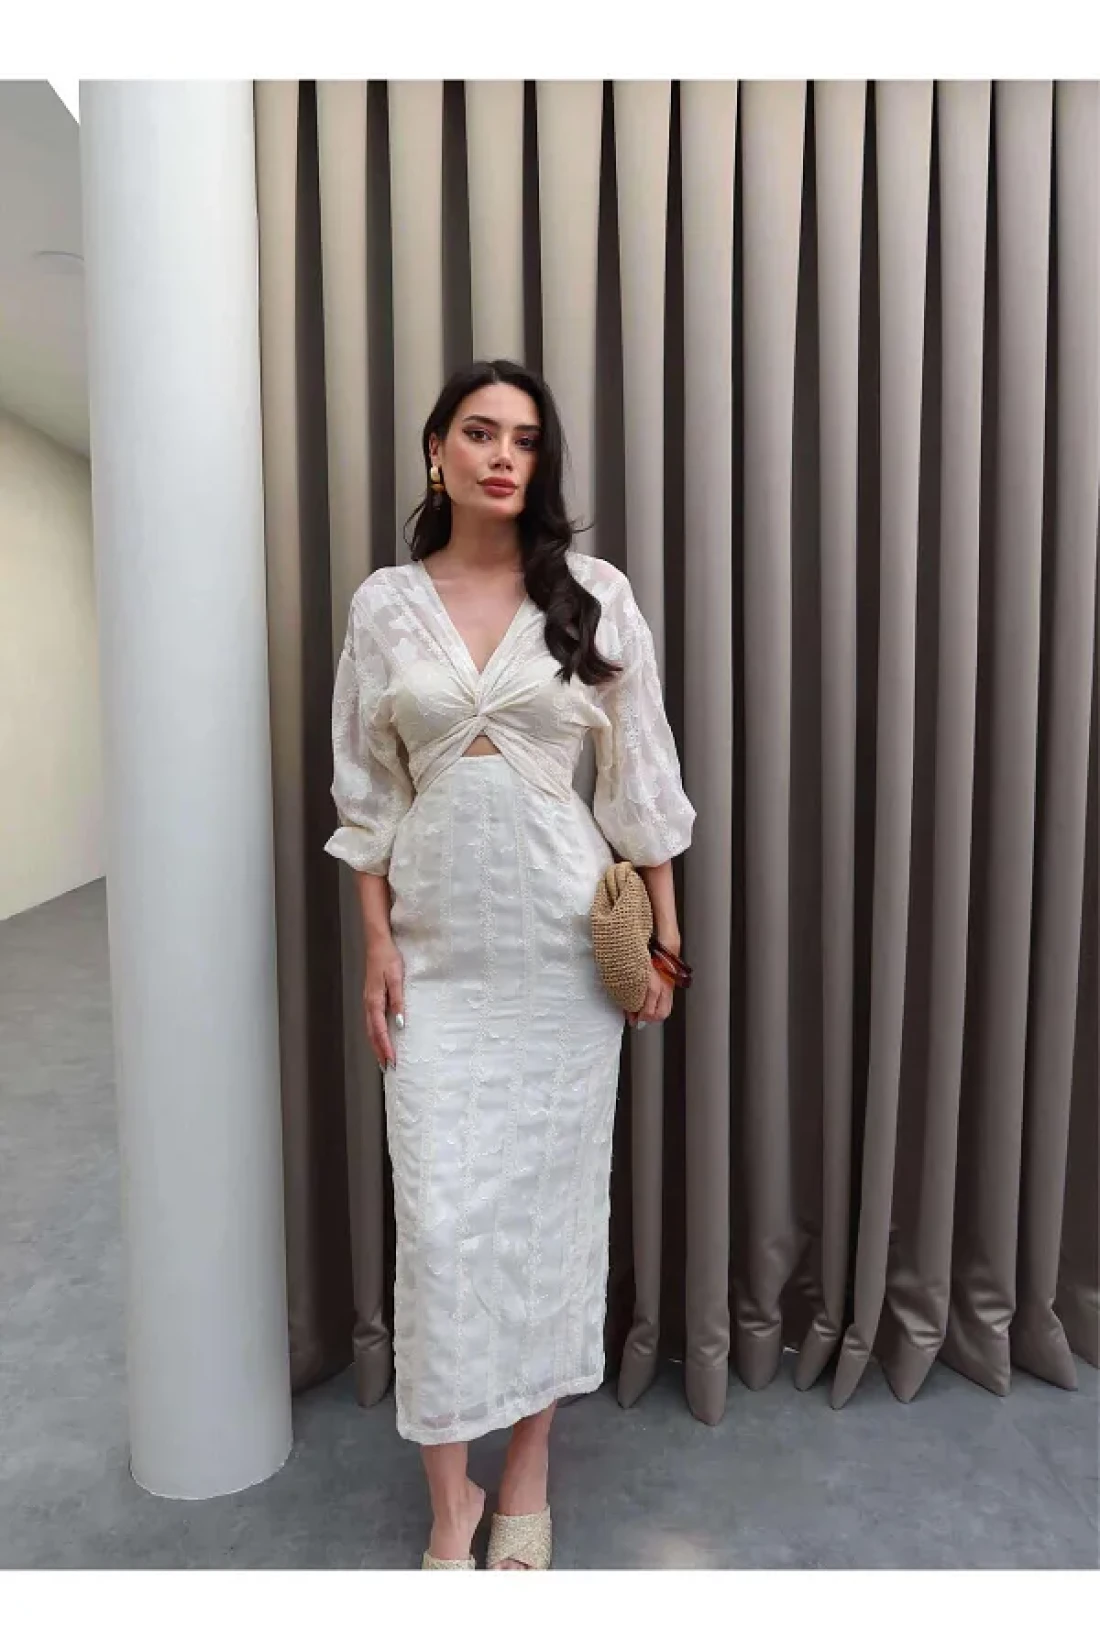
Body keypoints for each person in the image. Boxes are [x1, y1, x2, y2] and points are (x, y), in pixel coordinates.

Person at [324, 359, 696, 1570]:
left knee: (546, 1216)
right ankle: (452, 1501)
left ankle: (525, 1471)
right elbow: (366, 793)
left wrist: (662, 938)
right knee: (437, 1224)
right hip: (435, 955)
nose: (502, 456)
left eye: (525, 440)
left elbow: (639, 778)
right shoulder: (386, 606)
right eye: (479, 432)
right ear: (435, 450)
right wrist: (375, 942)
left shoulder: (592, 594)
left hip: (558, 958)